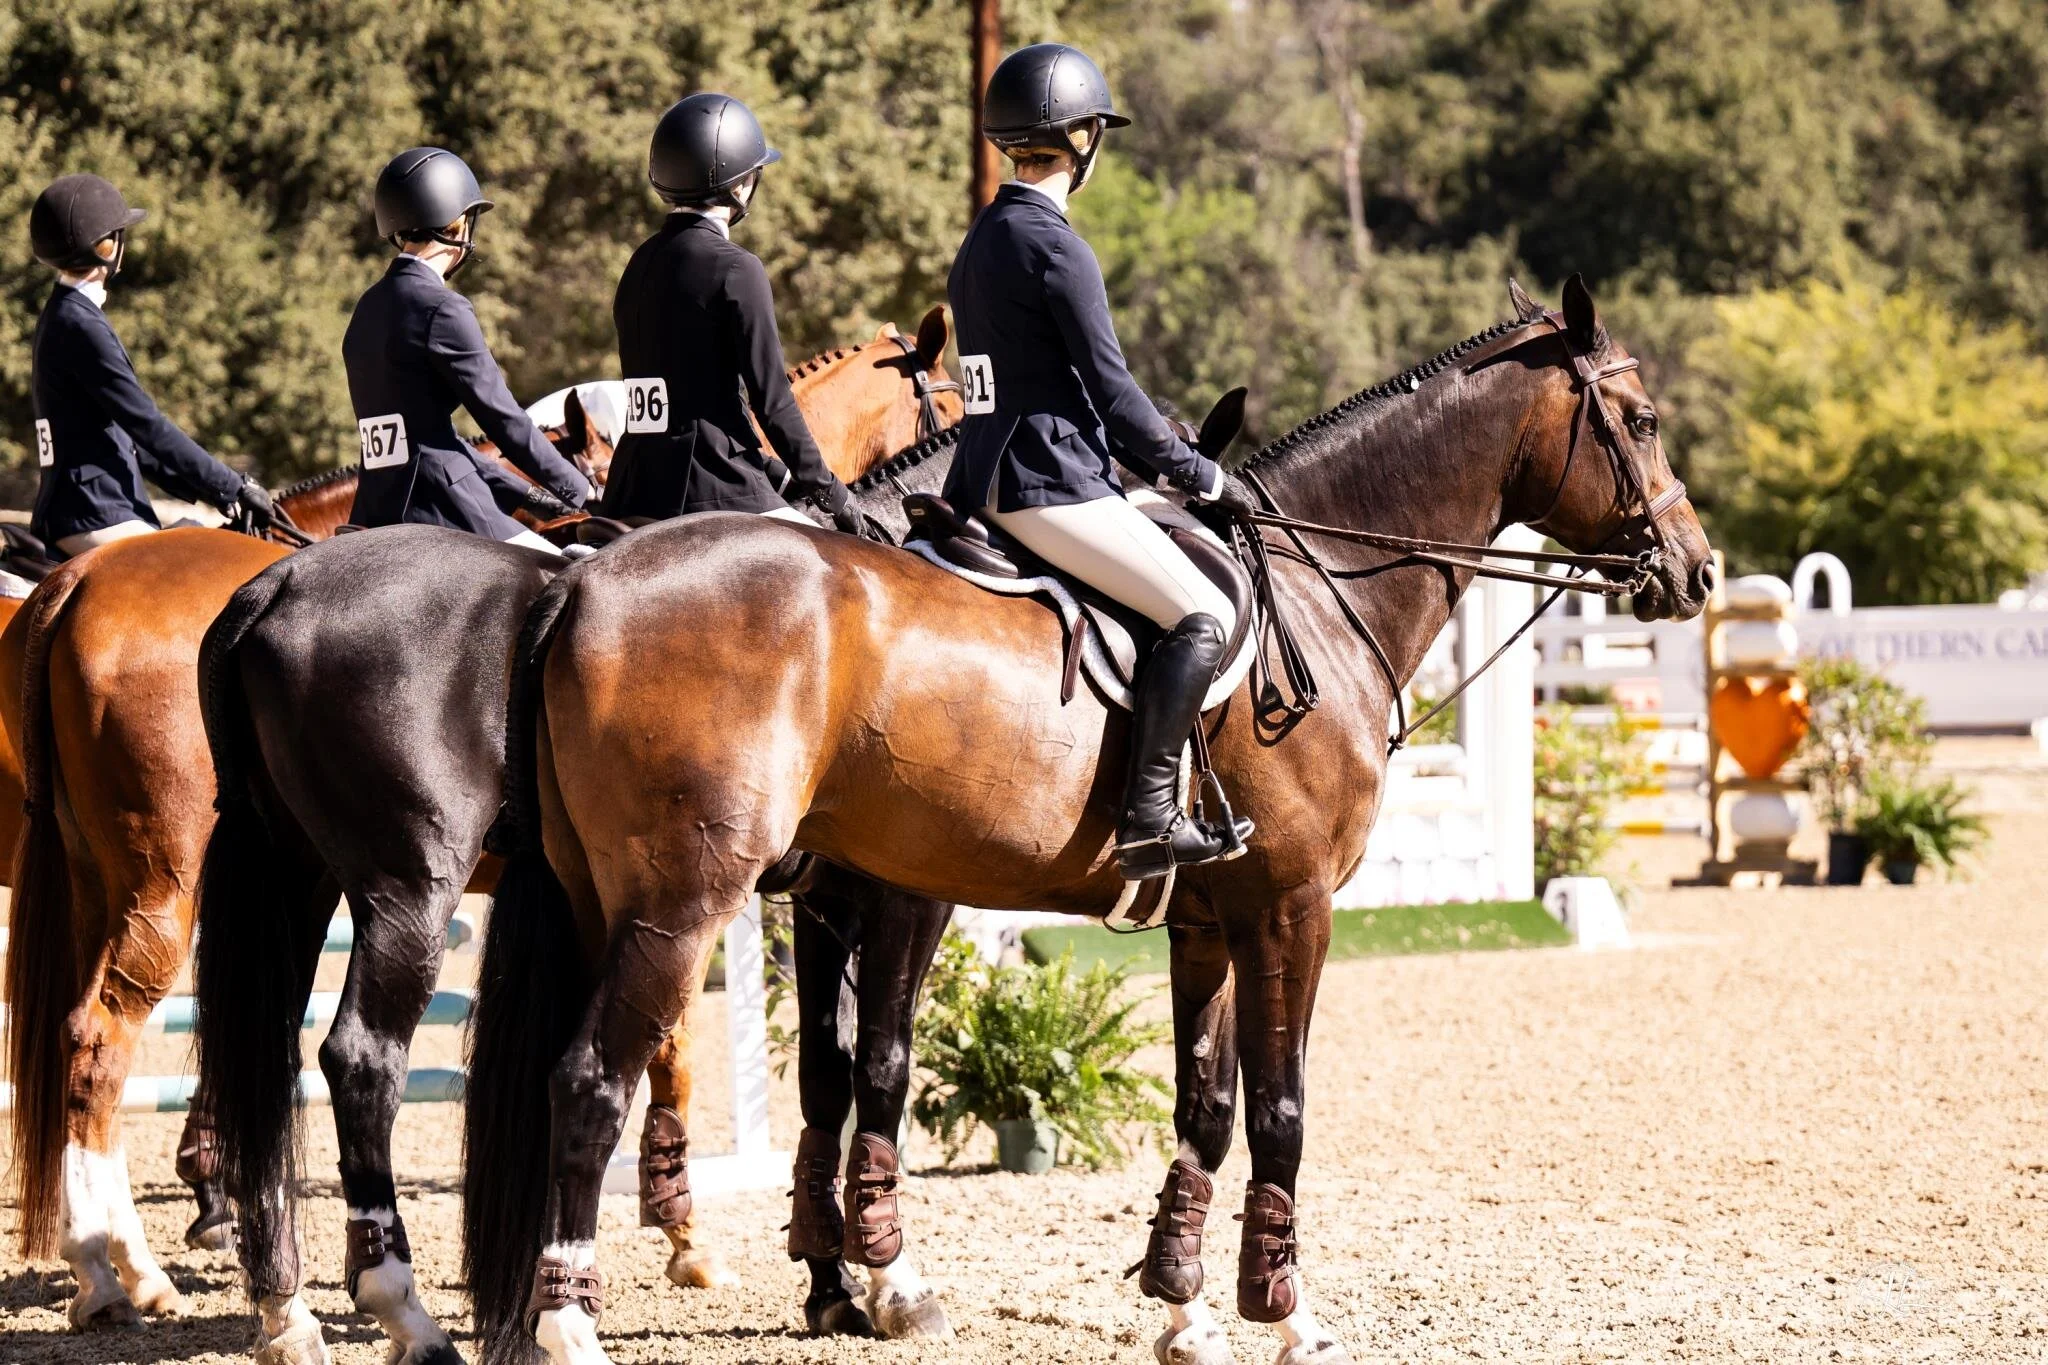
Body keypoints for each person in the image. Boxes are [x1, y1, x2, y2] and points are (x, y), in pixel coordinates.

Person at [943, 43, 1250, 879]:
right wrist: (1203, 475)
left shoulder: (980, 240)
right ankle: (1150, 818)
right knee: (1201, 615)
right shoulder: (1056, 247)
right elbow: (1113, 396)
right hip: (1050, 484)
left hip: (985, 481)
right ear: (1081, 138)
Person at [601, 93, 863, 533]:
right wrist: (829, 490)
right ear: (739, 185)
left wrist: (769, 467)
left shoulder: (639, 263)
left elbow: (682, 394)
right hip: (712, 486)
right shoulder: (737, 267)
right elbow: (772, 402)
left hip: (629, 487)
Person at [343, 147, 593, 551]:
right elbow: (503, 419)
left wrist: (525, 495)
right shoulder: (443, 308)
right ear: (456, 225)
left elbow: (426, 436)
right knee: (568, 578)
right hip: (444, 506)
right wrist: (578, 488)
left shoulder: (366, 309)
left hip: (375, 511)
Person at [27, 174, 279, 556]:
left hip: (81, 508)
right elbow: (147, 425)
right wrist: (234, 485)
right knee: (212, 564)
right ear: (107, 248)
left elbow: (126, 442)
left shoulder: (62, 314)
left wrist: (215, 492)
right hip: (97, 512)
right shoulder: (82, 325)